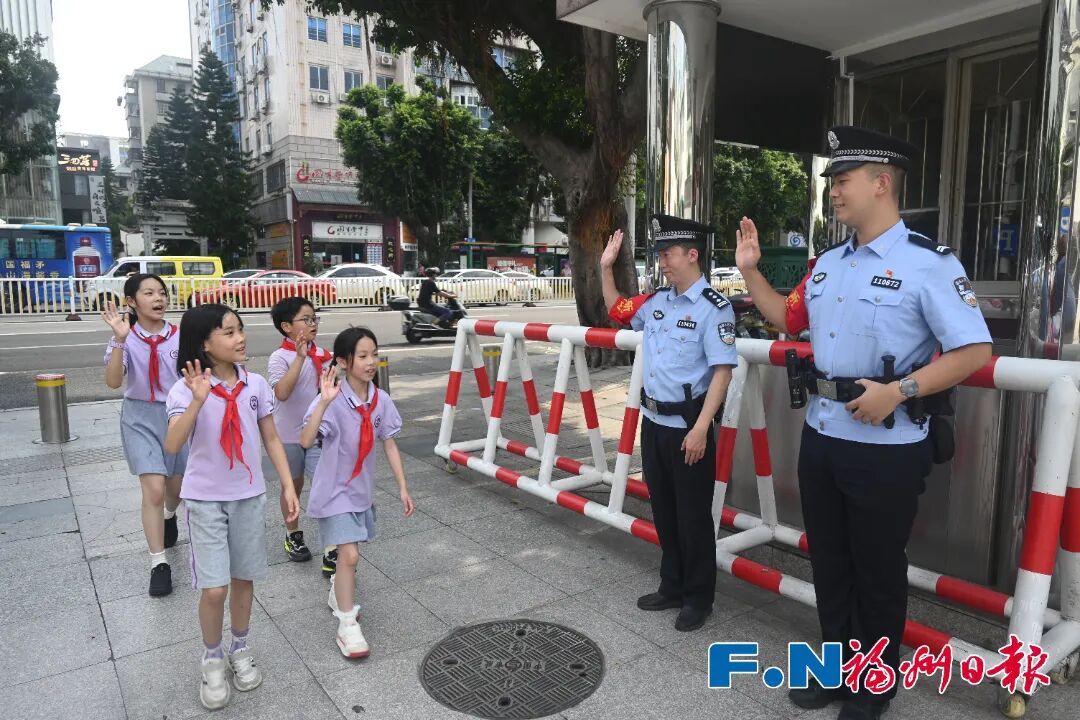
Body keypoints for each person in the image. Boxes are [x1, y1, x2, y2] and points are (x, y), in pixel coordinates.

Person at [735, 126, 992, 720]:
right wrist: (750, 271)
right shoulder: (827, 265)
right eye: (832, 182)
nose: (833, 192)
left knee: (876, 570)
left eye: (842, 181)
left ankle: (872, 688)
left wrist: (900, 391)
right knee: (829, 560)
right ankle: (837, 668)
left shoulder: (928, 263)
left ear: (881, 183)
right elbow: (786, 319)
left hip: (887, 444)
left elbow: (973, 350)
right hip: (823, 435)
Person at [601, 215, 737, 632]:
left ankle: (698, 598)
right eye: (659, 253)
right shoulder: (657, 302)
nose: (662, 261)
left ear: (692, 255)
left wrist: (701, 428)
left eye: (668, 253)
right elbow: (616, 312)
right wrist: (606, 267)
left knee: (693, 517)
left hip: (689, 427)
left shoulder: (715, 307)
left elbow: (722, 371)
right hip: (654, 422)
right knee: (664, 509)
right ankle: (672, 584)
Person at [164, 304, 300, 711]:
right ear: (204, 343)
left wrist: (289, 486)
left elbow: (272, 440)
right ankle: (212, 657)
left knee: (244, 578)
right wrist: (197, 400)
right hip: (204, 500)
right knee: (215, 586)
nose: (240, 338)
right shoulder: (184, 389)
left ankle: (240, 647)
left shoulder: (255, 385)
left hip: (249, 495)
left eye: (240, 329)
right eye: (228, 332)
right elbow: (172, 446)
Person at [300, 327, 414, 657]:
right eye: (362, 356)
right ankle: (347, 625)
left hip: (360, 492)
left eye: (374, 354)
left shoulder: (381, 400)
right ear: (342, 362)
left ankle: (339, 591)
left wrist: (403, 487)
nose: (370, 362)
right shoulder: (333, 400)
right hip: (334, 491)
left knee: (349, 558)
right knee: (348, 555)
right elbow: (306, 440)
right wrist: (323, 401)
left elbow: (389, 443)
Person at [102, 273, 188, 597]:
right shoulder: (122, 337)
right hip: (139, 416)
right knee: (153, 488)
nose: (158, 298)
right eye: (149, 293)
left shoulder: (180, 337)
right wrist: (121, 340)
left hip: (176, 415)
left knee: (175, 488)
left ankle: (169, 516)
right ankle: (159, 563)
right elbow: (113, 382)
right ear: (131, 302)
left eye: (162, 292)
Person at [267, 297, 333, 569]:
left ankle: (332, 546)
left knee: (325, 485)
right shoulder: (279, 357)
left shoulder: (325, 356)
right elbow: (281, 393)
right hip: (288, 437)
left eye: (314, 318)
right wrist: (300, 358)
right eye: (305, 319)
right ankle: (293, 533)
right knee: (293, 486)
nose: (312, 323)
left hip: (318, 435)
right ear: (286, 326)